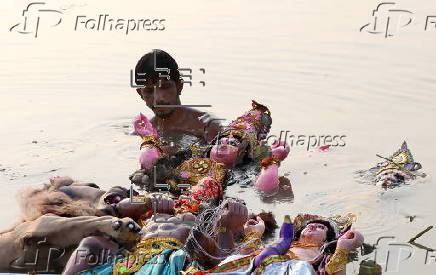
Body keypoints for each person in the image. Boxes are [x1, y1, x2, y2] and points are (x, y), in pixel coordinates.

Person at [200, 213, 363, 275]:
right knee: (234, 257)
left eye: (320, 227)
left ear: (327, 240)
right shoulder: (291, 246)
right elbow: (243, 257)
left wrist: (343, 248)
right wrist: (256, 233)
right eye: (309, 226)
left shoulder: (324, 256)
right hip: (253, 269)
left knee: (302, 269)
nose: (312, 226)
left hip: (290, 271)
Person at [134, 49, 220, 143]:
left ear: (179, 86)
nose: (158, 98)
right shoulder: (144, 132)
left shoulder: (206, 126)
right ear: (140, 93)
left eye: (165, 87)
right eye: (149, 90)